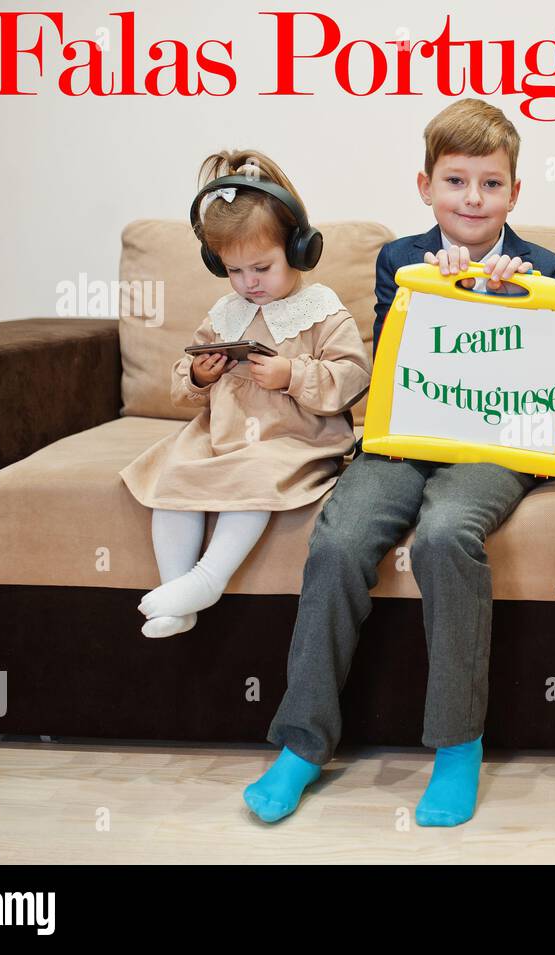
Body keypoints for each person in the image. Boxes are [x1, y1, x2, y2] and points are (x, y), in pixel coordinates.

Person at [244, 99, 555, 827]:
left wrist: (506, 295)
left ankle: (458, 745)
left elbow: (542, 377)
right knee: (337, 538)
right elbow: (393, 359)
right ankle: (302, 742)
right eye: (457, 182)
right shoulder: (401, 260)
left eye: (491, 184)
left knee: (448, 534)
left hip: (495, 445)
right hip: (405, 438)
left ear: (515, 192)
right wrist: (441, 285)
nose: (473, 199)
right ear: (425, 186)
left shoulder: (545, 267)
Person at [120, 149, 370, 639]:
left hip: (293, 439)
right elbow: (180, 384)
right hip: (222, 433)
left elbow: (353, 379)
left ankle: (209, 580)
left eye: (261, 267)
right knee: (171, 472)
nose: (249, 283)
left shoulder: (322, 310)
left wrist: (292, 375)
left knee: (253, 476)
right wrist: (199, 374)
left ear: (299, 250)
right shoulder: (224, 313)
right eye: (235, 271)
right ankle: (178, 594)